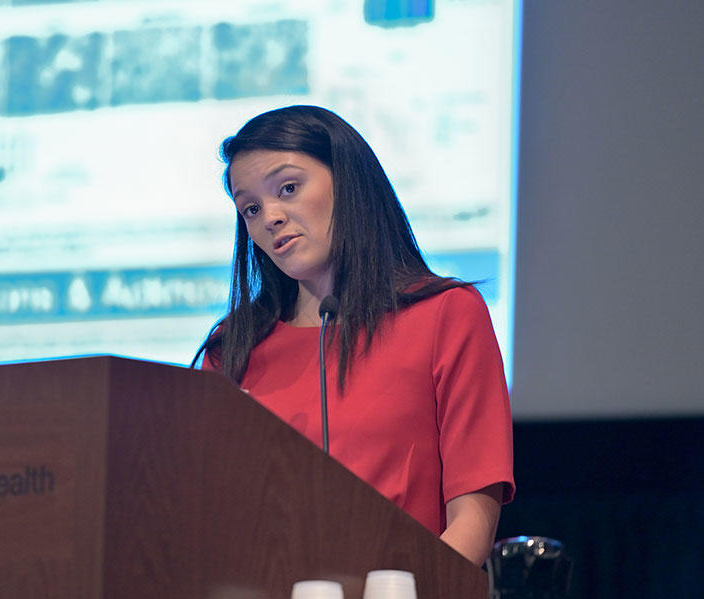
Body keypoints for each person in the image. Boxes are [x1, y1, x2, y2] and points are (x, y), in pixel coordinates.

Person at [194, 105, 514, 565]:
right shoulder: (233, 347)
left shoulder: (445, 315)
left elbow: (471, 523)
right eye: (251, 208)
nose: (271, 217)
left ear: (349, 182)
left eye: (288, 188)